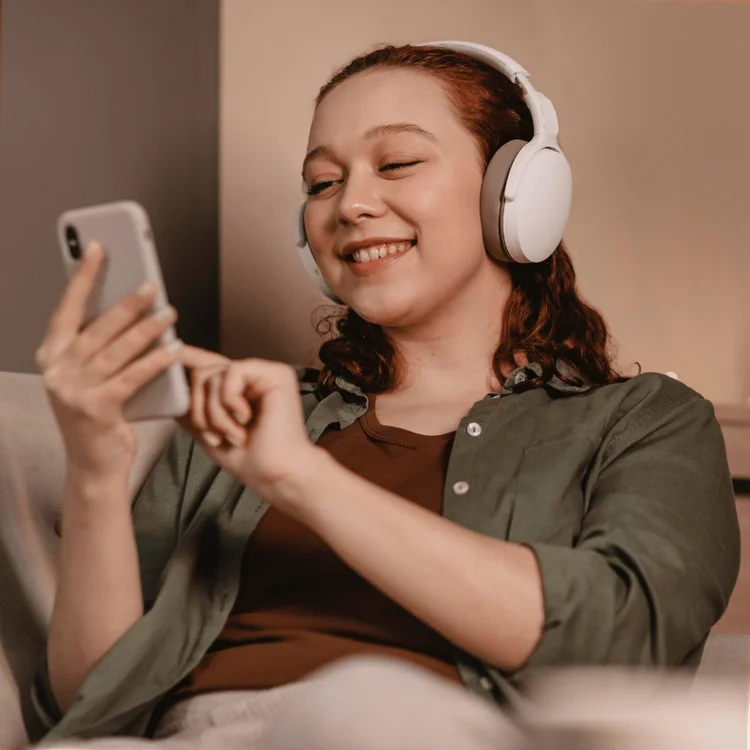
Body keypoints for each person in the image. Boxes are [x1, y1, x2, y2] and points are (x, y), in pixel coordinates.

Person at [23, 42, 740, 750]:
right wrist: (95, 467)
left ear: (517, 193)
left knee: (360, 706)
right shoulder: (238, 419)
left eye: (396, 163)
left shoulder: (645, 422)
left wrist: (302, 482)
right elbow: (92, 701)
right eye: (321, 183)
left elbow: (623, 644)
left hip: (397, 729)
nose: (351, 205)